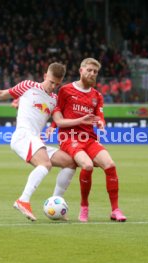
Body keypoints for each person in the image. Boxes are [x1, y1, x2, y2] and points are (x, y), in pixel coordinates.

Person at [0, 62, 95, 221]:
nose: (53, 86)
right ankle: (23, 200)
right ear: (45, 76)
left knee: (70, 162)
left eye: (57, 84)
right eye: (51, 82)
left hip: (35, 139)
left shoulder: (54, 99)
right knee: (45, 164)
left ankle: (54, 202)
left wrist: (68, 123)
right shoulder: (28, 86)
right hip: (23, 136)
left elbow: (59, 119)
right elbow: (1, 94)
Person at [52, 58, 127, 222]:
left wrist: (101, 123)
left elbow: (100, 116)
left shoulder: (97, 96)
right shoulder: (65, 90)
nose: (92, 74)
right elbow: (58, 115)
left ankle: (115, 210)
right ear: (81, 70)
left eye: (95, 72)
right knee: (86, 165)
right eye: (89, 70)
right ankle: (84, 207)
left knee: (110, 165)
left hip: (89, 139)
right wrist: (58, 125)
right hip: (69, 138)